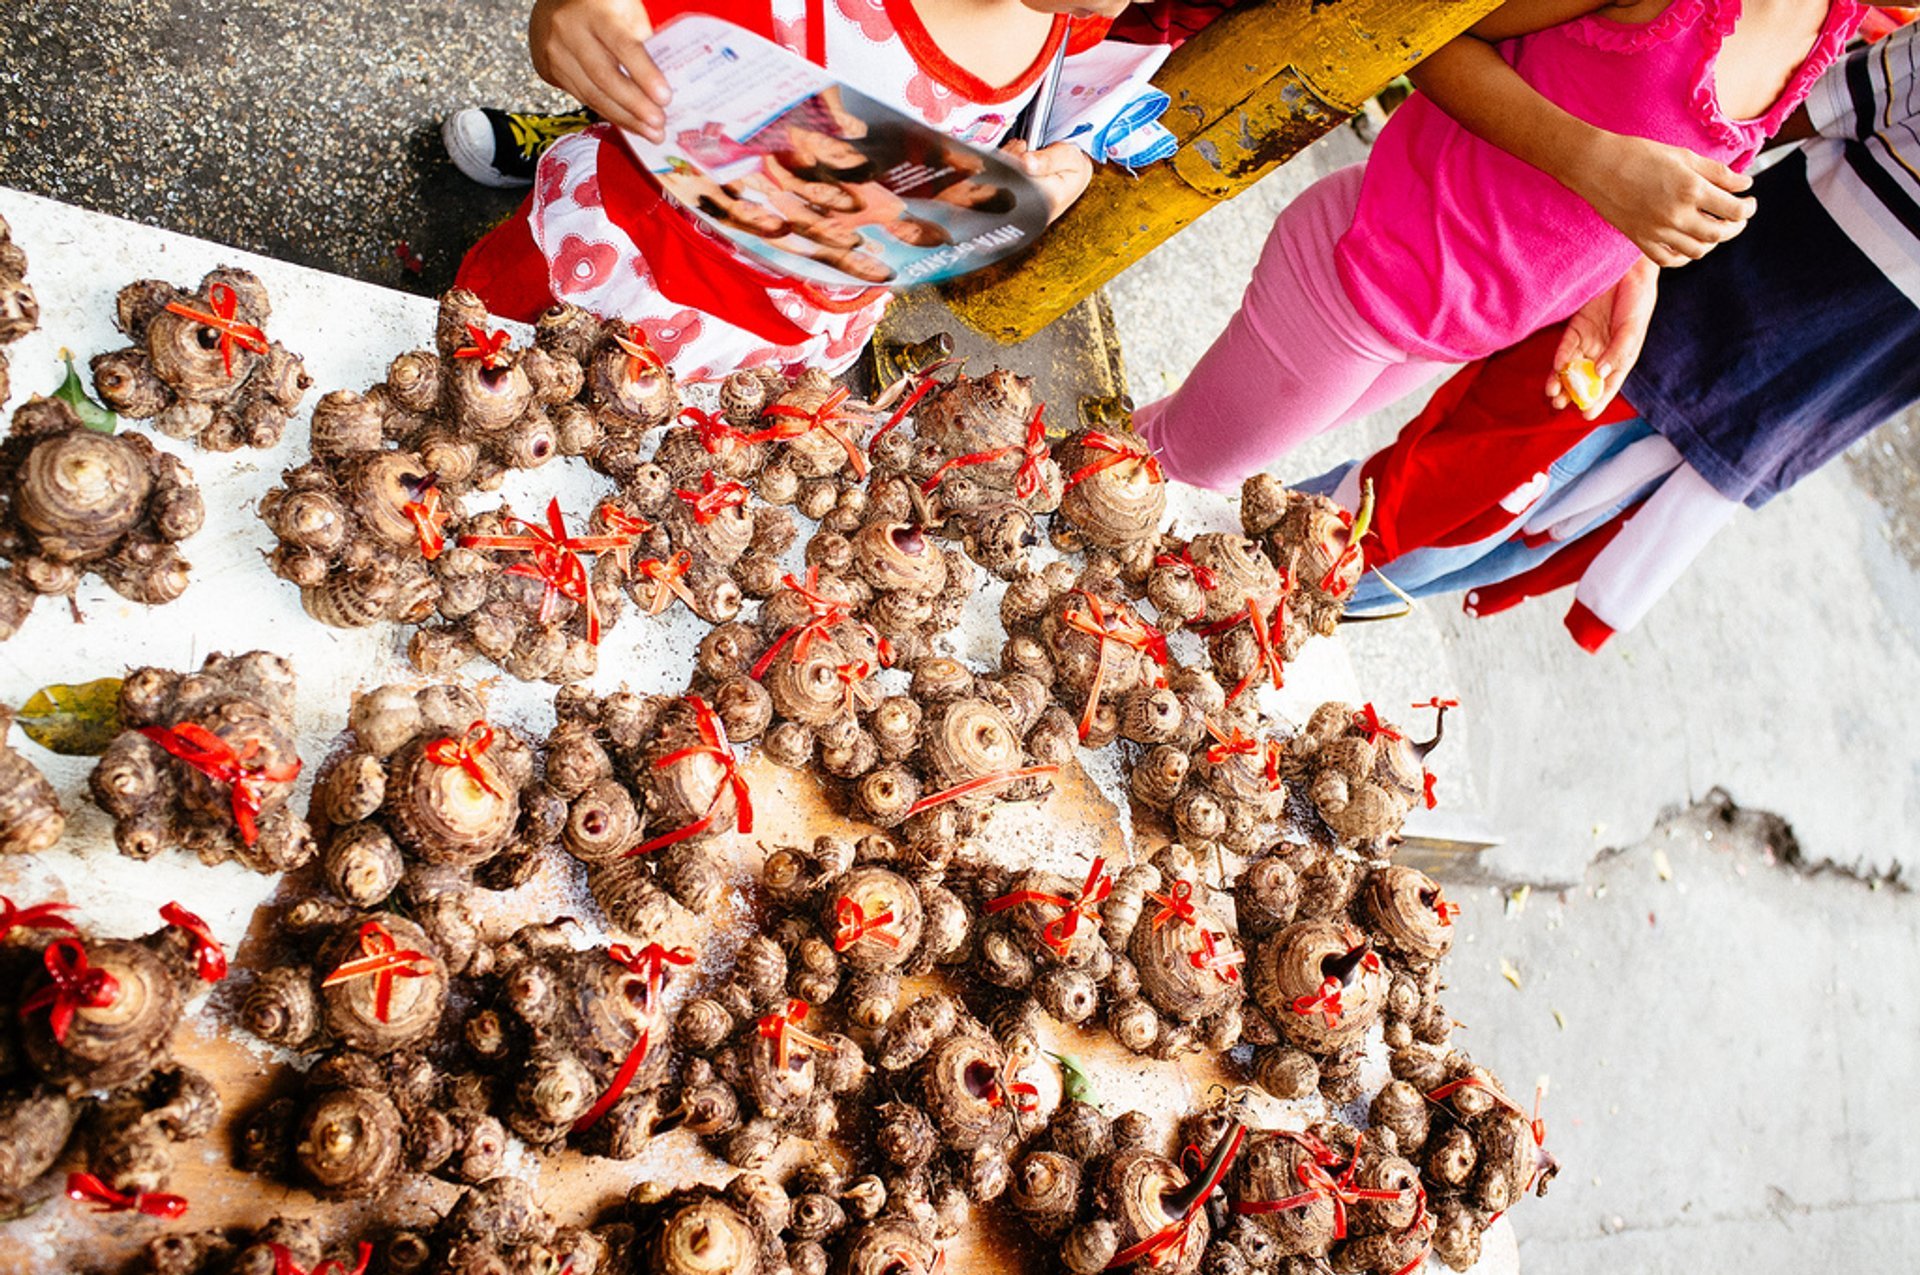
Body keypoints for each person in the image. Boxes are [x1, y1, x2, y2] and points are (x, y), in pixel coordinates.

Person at [1300, 19, 1920, 651]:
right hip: (1681, 321)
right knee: (1446, 509)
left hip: (1791, 410)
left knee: (1517, 548)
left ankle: (1273, 601)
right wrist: (1620, 247)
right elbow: (1748, 126)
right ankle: (1254, 579)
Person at [1132, 0, 1883, 491]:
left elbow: (1672, 158)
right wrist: (1593, 163)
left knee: (1162, 458)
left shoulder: (1834, 19)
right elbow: (1420, 38)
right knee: (1167, 468)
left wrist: (1629, 275)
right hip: (1363, 272)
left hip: (1444, 332)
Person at [452, 0, 1124, 378]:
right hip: (623, 270)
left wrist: (1033, 185)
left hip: (792, 337)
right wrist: (563, 25)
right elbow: (588, 29)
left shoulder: (1072, 15)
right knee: (485, 386)